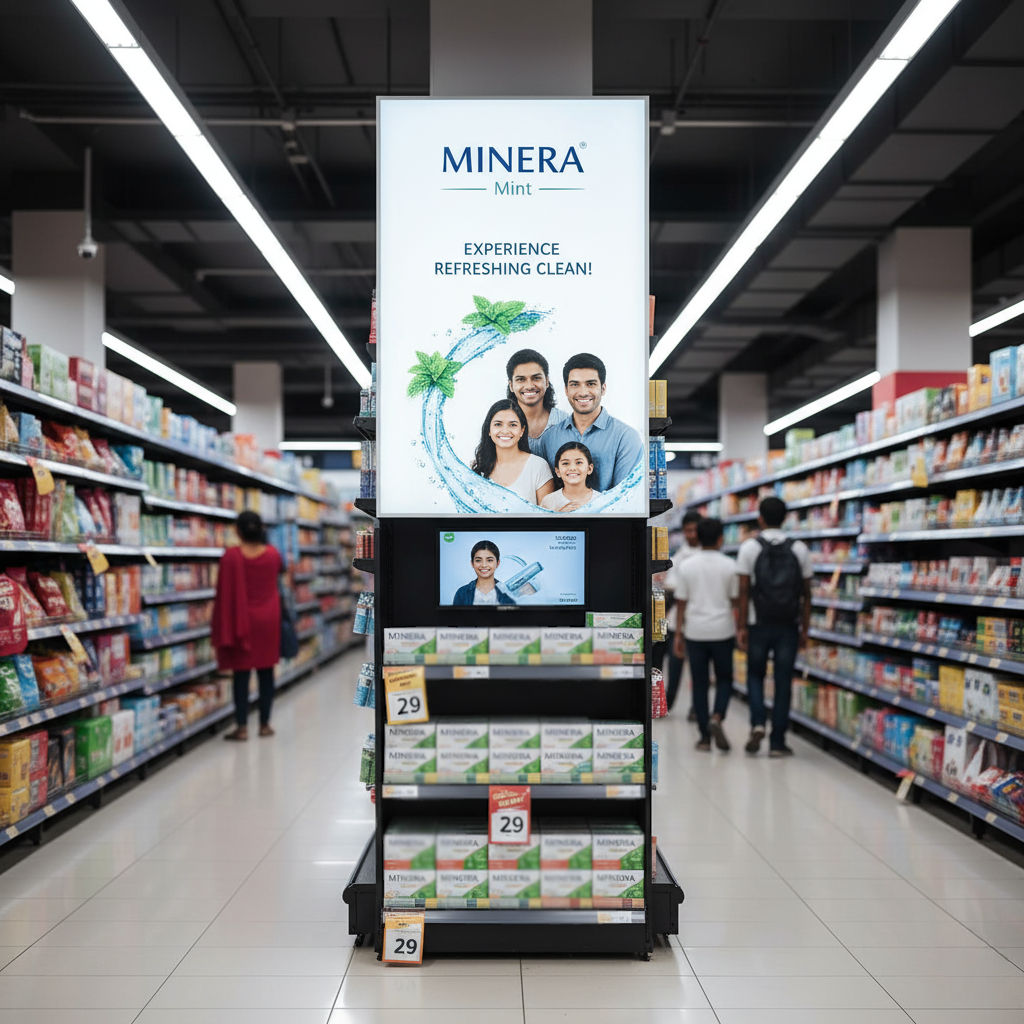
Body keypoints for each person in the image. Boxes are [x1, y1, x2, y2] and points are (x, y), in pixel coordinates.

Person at [735, 495, 813, 757]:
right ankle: (778, 742)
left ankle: (758, 723)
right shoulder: (799, 549)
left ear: (760, 518)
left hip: (758, 623)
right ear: (786, 518)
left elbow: (743, 591)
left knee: (755, 675)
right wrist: (805, 629)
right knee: (783, 681)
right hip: (788, 625)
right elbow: (806, 594)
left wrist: (741, 626)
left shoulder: (750, 547)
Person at [211, 511, 284, 741]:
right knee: (266, 672)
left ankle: (242, 727)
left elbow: (223, 592)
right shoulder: (273, 554)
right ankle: (265, 724)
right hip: (268, 620)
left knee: (241, 674)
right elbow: (281, 574)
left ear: (237, 531)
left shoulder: (231, 557)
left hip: (240, 619)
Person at [672, 517, 738, 752]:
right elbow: (734, 600)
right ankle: (717, 716)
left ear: (698, 538)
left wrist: (678, 635)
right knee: (724, 679)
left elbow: (681, 602)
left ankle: (703, 738)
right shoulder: (730, 566)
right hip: (723, 630)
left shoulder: (687, 566)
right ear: (721, 539)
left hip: (695, 631)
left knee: (699, 684)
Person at [537, 353, 643, 492]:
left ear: (603, 388)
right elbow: (545, 493)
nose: (583, 392)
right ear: (566, 390)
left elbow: (625, 496)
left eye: (591, 384)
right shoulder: (549, 438)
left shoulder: (626, 438)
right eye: (575, 384)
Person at [471, 398, 554, 505]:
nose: (505, 431)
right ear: (489, 430)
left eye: (513, 425)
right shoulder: (479, 467)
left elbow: (547, 513)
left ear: (522, 430)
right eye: (498, 424)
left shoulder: (538, 467)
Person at [659, 511, 701, 714]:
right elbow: (670, 590)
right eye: (687, 531)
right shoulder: (678, 558)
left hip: (699, 621)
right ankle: (667, 704)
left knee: (698, 669)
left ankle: (697, 707)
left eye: (694, 530)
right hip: (676, 622)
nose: (691, 535)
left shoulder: (706, 555)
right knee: (674, 667)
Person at [506, 348, 568, 450]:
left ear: (547, 381)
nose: (529, 386)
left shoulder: (564, 422)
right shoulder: (501, 425)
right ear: (511, 385)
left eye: (536, 378)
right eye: (521, 379)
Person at [540, 441, 602, 512]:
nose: (572, 468)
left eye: (579, 462)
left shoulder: (601, 500)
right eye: (565, 463)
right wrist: (558, 515)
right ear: (558, 471)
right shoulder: (548, 502)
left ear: (589, 469)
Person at [452, 539, 517, 606]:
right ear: (472, 563)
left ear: (498, 563)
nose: (484, 565)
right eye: (478, 560)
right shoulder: (462, 593)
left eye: (489, 560)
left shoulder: (508, 593)